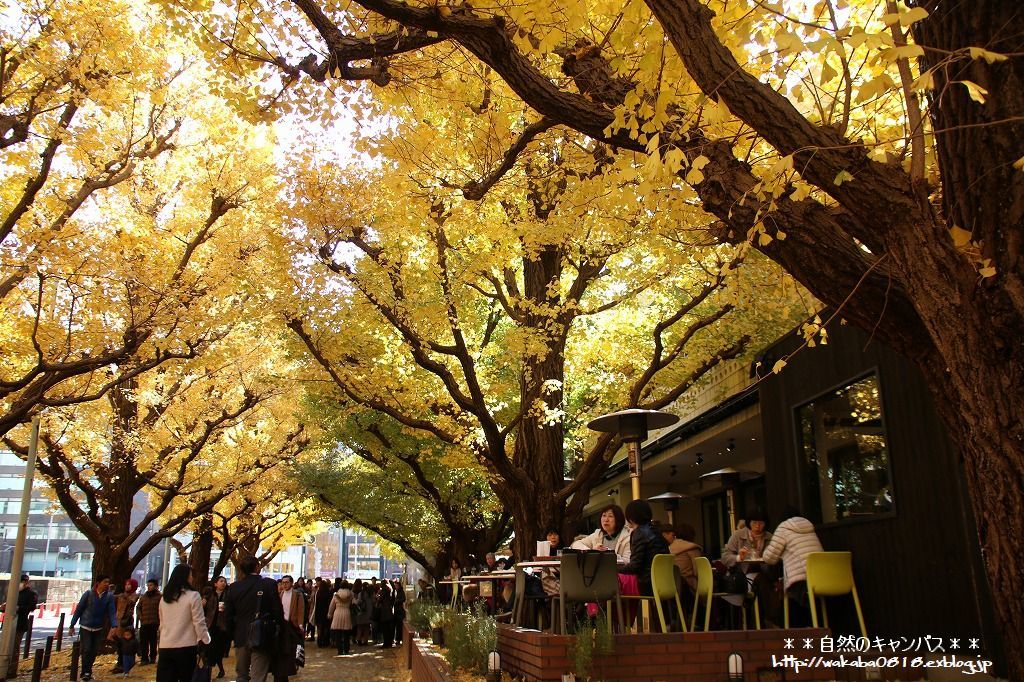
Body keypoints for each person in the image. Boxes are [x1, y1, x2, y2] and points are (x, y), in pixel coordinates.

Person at [224, 556, 284, 682]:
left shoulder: (234, 587)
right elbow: (277, 611)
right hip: (262, 634)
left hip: (241, 634)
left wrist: (231, 635)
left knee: (241, 675)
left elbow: (228, 615)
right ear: (257, 567)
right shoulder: (268, 584)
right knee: (258, 675)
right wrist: (279, 629)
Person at [762, 506, 824, 626]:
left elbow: (769, 558)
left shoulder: (783, 528)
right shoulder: (810, 528)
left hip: (802, 579)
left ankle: (780, 621)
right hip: (821, 577)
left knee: (774, 578)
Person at [157, 564, 211, 682]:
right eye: (190, 575)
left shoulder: (164, 598)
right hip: (186, 646)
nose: (192, 578)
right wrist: (206, 639)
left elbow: (162, 623)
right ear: (185, 577)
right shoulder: (193, 596)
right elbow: (199, 622)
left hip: (166, 646)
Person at [68, 574, 117, 682]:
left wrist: (114, 625)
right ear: (98, 583)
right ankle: (85, 672)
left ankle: (88, 670)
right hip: (85, 626)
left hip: (98, 627)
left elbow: (112, 612)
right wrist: (72, 625)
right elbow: (79, 609)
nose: (107, 584)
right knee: (87, 649)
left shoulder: (109, 597)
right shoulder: (88, 594)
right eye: (105, 582)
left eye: (108, 582)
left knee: (94, 650)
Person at [620, 500, 670, 596]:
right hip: (665, 582)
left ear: (631, 517)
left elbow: (635, 567)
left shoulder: (639, 533)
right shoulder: (656, 530)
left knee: (611, 579)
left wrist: (615, 569)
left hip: (647, 585)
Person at [272, 575, 305, 681]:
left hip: (292, 625)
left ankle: (293, 665)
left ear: (291, 583)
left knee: (292, 649)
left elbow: (301, 610)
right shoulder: (280, 594)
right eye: (283, 582)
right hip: (282, 625)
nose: (285, 584)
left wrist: (300, 624)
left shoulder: (297, 595)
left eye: (287, 582)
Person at [1, 575, 38, 662]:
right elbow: (7, 605)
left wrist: (18, 608)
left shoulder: (31, 594)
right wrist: (3, 608)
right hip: (7, 623)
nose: (21, 584)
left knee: (14, 646)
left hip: (20, 623)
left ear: (26, 583)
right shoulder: (13, 592)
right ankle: (3, 665)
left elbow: (31, 607)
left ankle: (12, 667)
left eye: (23, 582)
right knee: (4, 645)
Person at [661, 522, 702, 593]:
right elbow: (699, 572)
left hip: (671, 588)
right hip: (689, 588)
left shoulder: (668, 548)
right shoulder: (693, 548)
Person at [203, 575, 230, 678]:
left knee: (217, 650)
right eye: (221, 581)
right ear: (215, 584)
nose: (223, 583)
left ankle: (218, 669)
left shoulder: (228, 595)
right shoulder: (210, 595)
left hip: (221, 626)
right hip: (210, 625)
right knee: (208, 650)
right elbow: (205, 610)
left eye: (224, 581)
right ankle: (209, 670)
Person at [112, 578, 140, 673]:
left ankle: (125, 664)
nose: (127, 586)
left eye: (129, 585)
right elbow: (113, 598)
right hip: (118, 621)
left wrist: (123, 596)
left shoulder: (134, 596)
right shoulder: (120, 596)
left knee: (126, 643)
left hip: (126, 622)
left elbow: (131, 601)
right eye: (126, 584)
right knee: (118, 643)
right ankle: (120, 663)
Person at [136, 579, 161, 665]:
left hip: (155, 623)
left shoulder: (160, 597)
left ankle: (153, 657)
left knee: (153, 641)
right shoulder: (144, 597)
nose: (149, 587)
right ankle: (144, 658)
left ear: (156, 586)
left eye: (151, 585)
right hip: (144, 623)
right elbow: (138, 607)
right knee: (144, 642)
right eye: (148, 585)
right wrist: (140, 617)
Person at [327, 579, 354, 655]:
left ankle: (340, 650)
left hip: (338, 613)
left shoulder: (336, 595)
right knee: (346, 633)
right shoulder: (350, 594)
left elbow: (332, 606)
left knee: (338, 633)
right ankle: (346, 649)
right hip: (347, 612)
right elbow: (354, 603)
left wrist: (329, 614)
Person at [376, 581, 397, 648]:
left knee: (385, 629)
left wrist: (378, 596)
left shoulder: (383, 591)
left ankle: (386, 643)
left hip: (384, 612)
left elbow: (380, 600)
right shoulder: (390, 592)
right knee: (389, 629)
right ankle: (389, 643)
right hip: (389, 612)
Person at [313, 576, 333, 648]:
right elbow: (329, 603)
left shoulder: (318, 593)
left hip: (318, 612)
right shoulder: (329, 593)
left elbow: (315, 603)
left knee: (319, 628)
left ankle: (319, 641)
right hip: (326, 612)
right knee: (326, 628)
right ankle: (325, 641)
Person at [354, 580, 373, 645]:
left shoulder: (361, 594)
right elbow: (373, 602)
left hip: (361, 612)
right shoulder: (370, 594)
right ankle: (365, 641)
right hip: (368, 612)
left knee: (360, 627)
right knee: (367, 627)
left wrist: (355, 600)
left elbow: (358, 602)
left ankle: (359, 639)